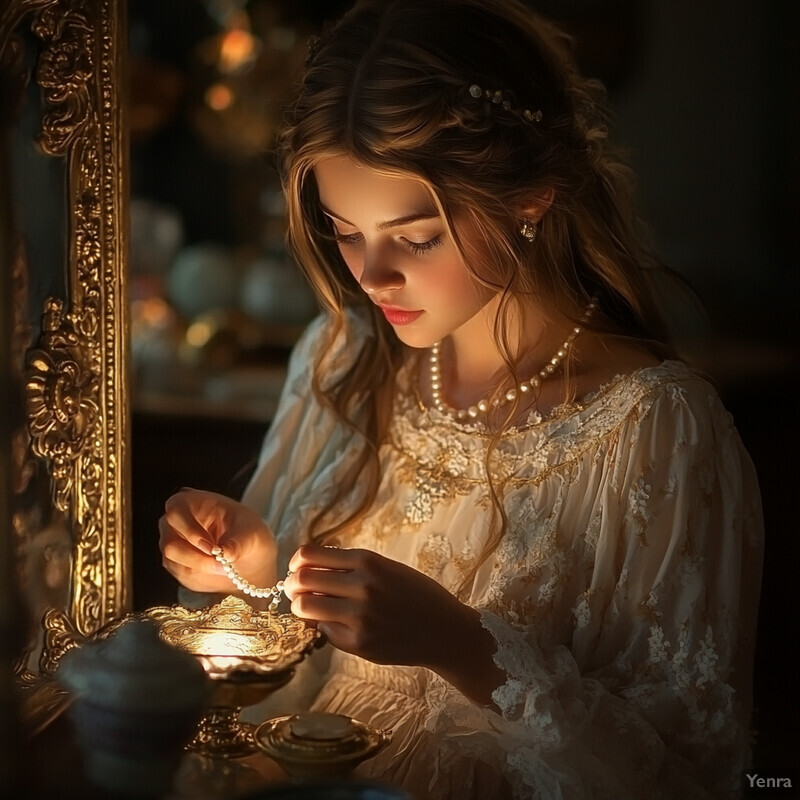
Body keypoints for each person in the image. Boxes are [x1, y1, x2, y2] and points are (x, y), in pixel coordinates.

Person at [158, 1, 764, 797]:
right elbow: (274, 703)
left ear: (532, 197)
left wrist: (464, 646)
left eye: (415, 238)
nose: (370, 277)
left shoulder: (655, 434)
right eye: (344, 230)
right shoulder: (342, 361)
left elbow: (688, 778)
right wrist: (256, 575)